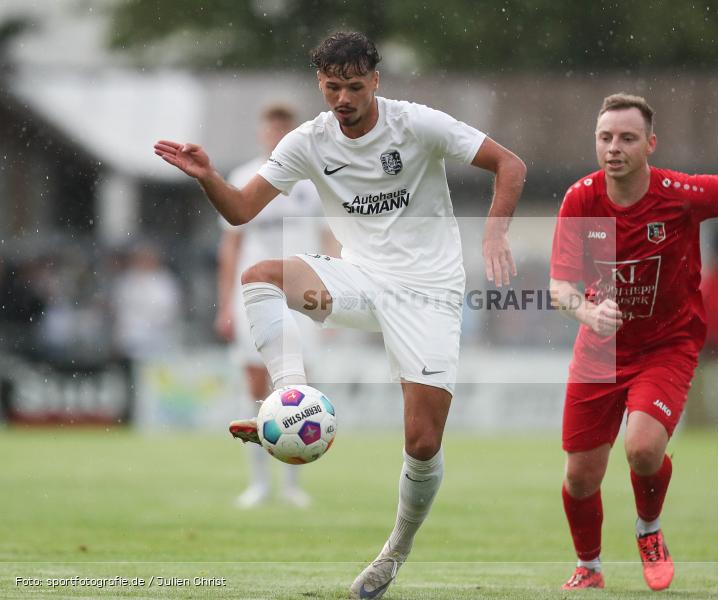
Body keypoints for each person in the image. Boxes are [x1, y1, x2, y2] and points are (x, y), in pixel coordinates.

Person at [154, 31, 526, 599]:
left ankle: (394, 553)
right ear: (319, 85)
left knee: (423, 442)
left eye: (355, 86)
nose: (344, 97)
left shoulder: (417, 123)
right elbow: (241, 211)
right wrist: (208, 177)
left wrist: (495, 232)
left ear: (375, 81)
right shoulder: (308, 141)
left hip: (429, 292)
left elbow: (510, 164)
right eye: (333, 87)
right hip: (358, 282)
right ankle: (289, 398)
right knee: (259, 278)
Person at [549, 93, 718, 591]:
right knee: (580, 477)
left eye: (627, 138)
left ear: (650, 144)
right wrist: (588, 311)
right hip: (599, 350)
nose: (614, 148)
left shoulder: (680, 193)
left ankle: (649, 531)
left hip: (666, 344)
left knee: (643, 449)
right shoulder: (580, 199)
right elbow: (559, 288)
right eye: (605, 138)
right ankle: (589, 568)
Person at [216, 104, 338, 509]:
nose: (277, 135)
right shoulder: (243, 178)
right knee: (254, 386)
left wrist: (336, 294)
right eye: (272, 128)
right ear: (262, 133)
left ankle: (291, 485)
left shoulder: (315, 178)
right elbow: (231, 245)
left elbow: (329, 240)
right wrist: (225, 303)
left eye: (285, 129)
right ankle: (258, 484)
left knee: (300, 388)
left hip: (303, 296)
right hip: (253, 294)